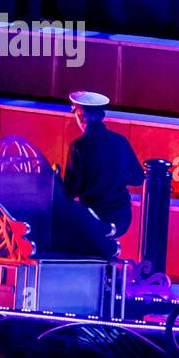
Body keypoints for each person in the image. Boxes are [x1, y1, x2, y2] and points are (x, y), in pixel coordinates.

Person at [56, 91, 144, 259]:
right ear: (102, 116)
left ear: (80, 116)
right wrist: (116, 175)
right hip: (121, 218)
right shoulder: (120, 141)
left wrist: (57, 178)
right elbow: (138, 177)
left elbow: (71, 191)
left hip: (94, 218)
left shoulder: (79, 147)